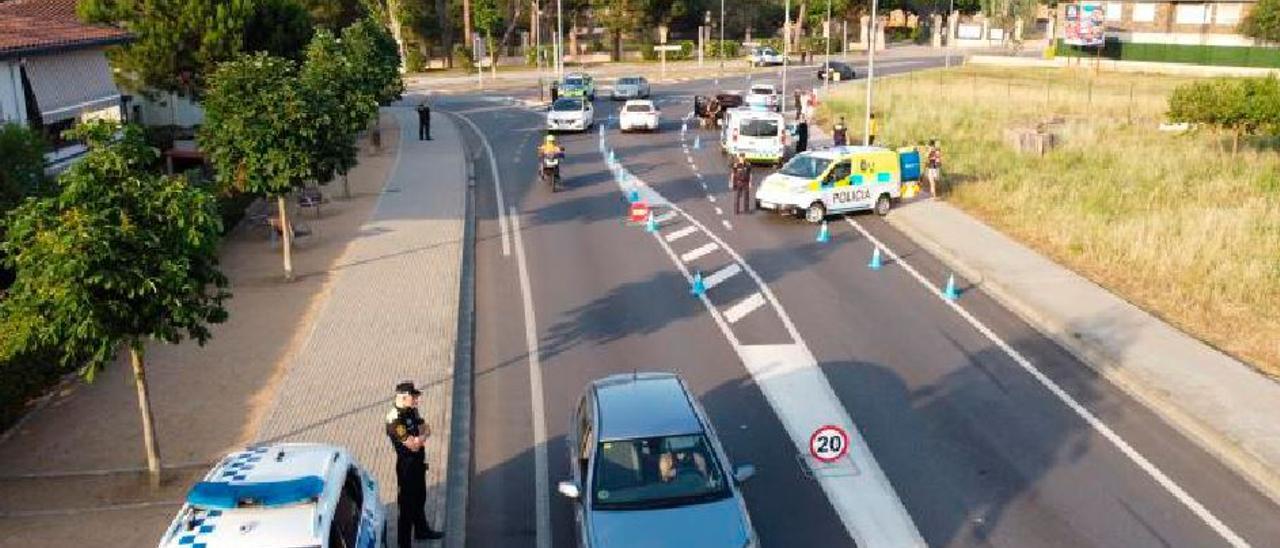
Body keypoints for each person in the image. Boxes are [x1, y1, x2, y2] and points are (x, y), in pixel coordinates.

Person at [386, 381, 444, 546]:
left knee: (420, 497)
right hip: (406, 467)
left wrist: (421, 438)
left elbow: (426, 428)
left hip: (418, 462)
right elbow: (412, 444)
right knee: (406, 507)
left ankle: (421, 530)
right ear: (404, 398)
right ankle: (404, 544)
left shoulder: (411, 410)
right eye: (413, 397)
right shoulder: (394, 420)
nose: (416, 401)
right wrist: (420, 438)